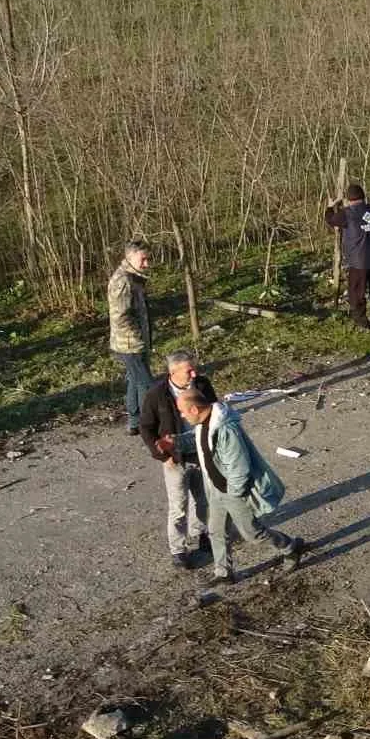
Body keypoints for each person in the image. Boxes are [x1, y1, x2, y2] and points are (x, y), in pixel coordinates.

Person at [162, 389, 306, 583]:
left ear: (194, 409)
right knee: (216, 532)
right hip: (216, 488)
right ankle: (224, 573)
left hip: (232, 492)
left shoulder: (226, 429)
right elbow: (197, 440)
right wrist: (176, 441)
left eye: (183, 411)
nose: (181, 415)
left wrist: (234, 495)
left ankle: (290, 547)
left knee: (253, 534)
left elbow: (239, 467)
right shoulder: (205, 423)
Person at [139, 351, 217, 568]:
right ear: (172, 372)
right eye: (188, 370)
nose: (194, 373)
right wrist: (162, 456)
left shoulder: (202, 385)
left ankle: (202, 534)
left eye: (194, 368)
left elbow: (214, 412)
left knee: (203, 499)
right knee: (178, 506)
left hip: (201, 452)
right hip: (175, 458)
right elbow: (146, 428)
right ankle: (178, 550)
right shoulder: (156, 394)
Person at [324, 183, 370, 328]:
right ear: (363, 197)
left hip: (359, 262)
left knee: (356, 293)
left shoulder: (347, 213)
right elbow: (369, 217)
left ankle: (362, 322)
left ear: (348, 199)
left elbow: (331, 220)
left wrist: (329, 207)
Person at [108, 240, 153, 435]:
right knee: (146, 384)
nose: (146, 264)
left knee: (134, 381)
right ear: (130, 256)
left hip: (134, 341)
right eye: (143, 259)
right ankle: (148, 425)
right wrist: (137, 337)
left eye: (148, 259)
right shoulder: (123, 280)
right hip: (130, 344)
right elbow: (120, 316)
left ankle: (134, 424)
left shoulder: (132, 277)